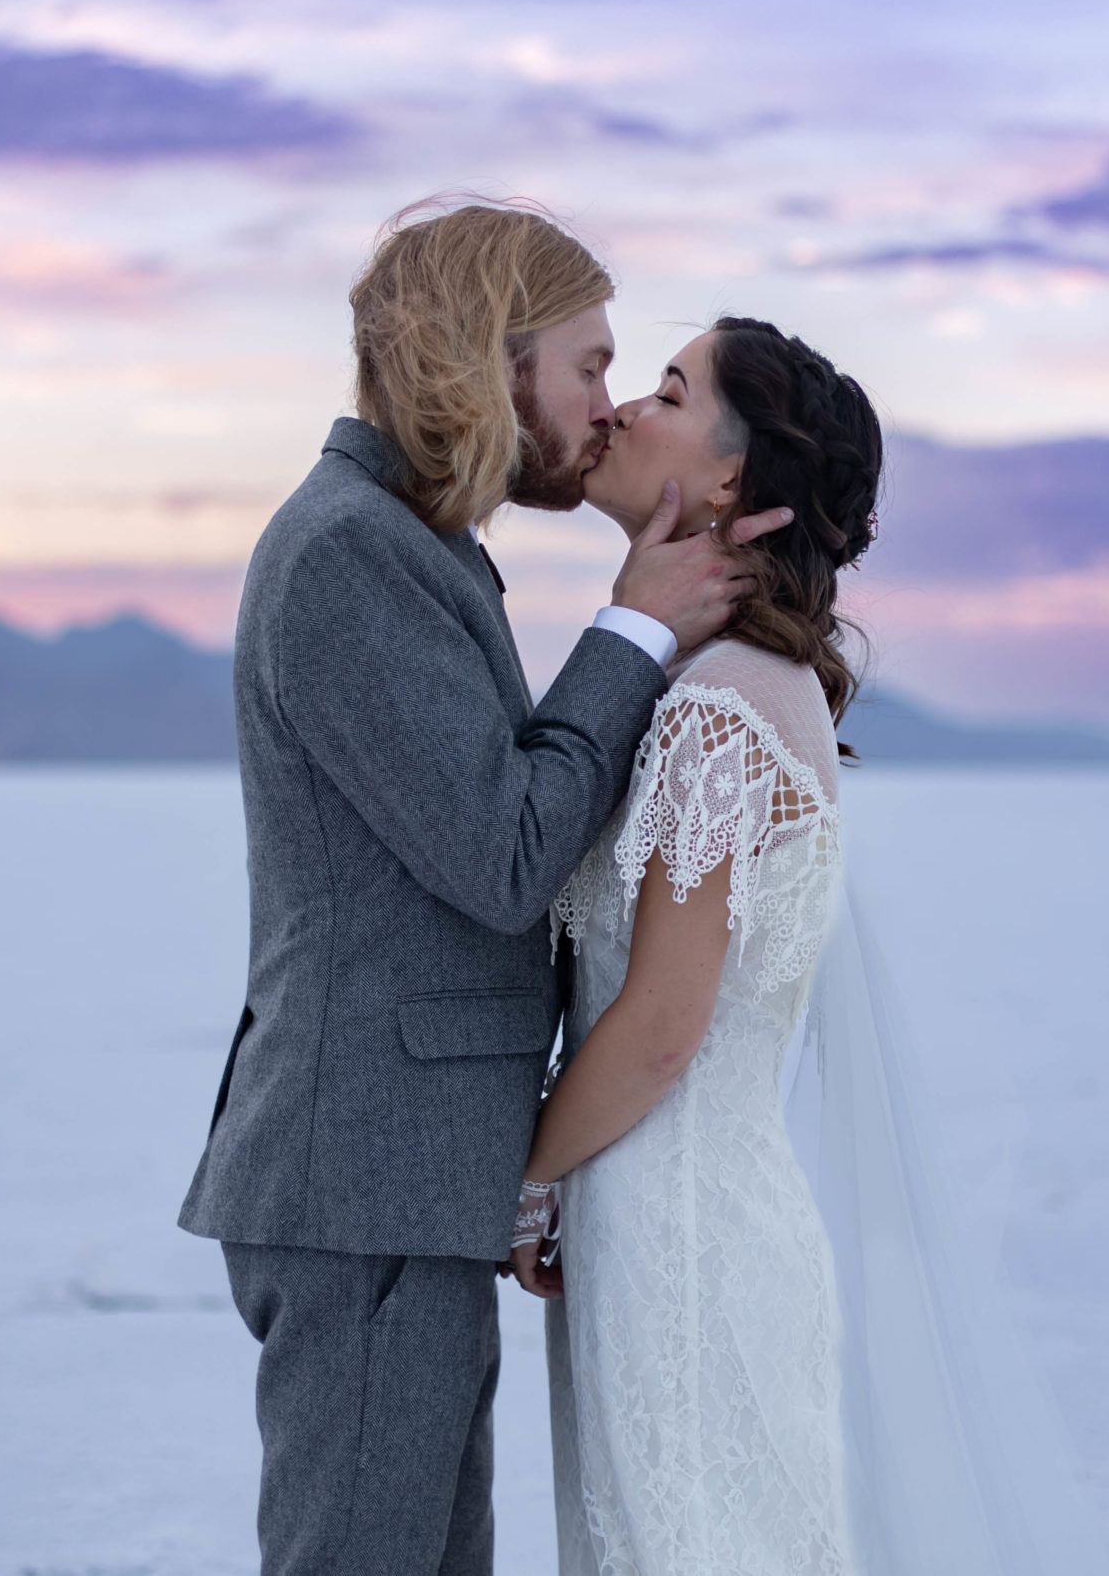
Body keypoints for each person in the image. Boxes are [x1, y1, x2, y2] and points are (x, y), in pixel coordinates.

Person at [175, 202, 793, 1576]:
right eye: (587, 365)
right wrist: (633, 625)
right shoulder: (348, 553)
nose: (605, 403)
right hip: (364, 1184)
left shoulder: (418, 544)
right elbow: (505, 853)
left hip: (403, 1181)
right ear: (485, 361)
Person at [508, 317, 880, 1575]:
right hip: (665, 1222)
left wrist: (522, 1176)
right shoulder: (718, 684)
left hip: (679, 1246)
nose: (618, 411)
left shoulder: (717, 710)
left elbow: (665, 1026)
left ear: (729, 480)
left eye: (665, 390)